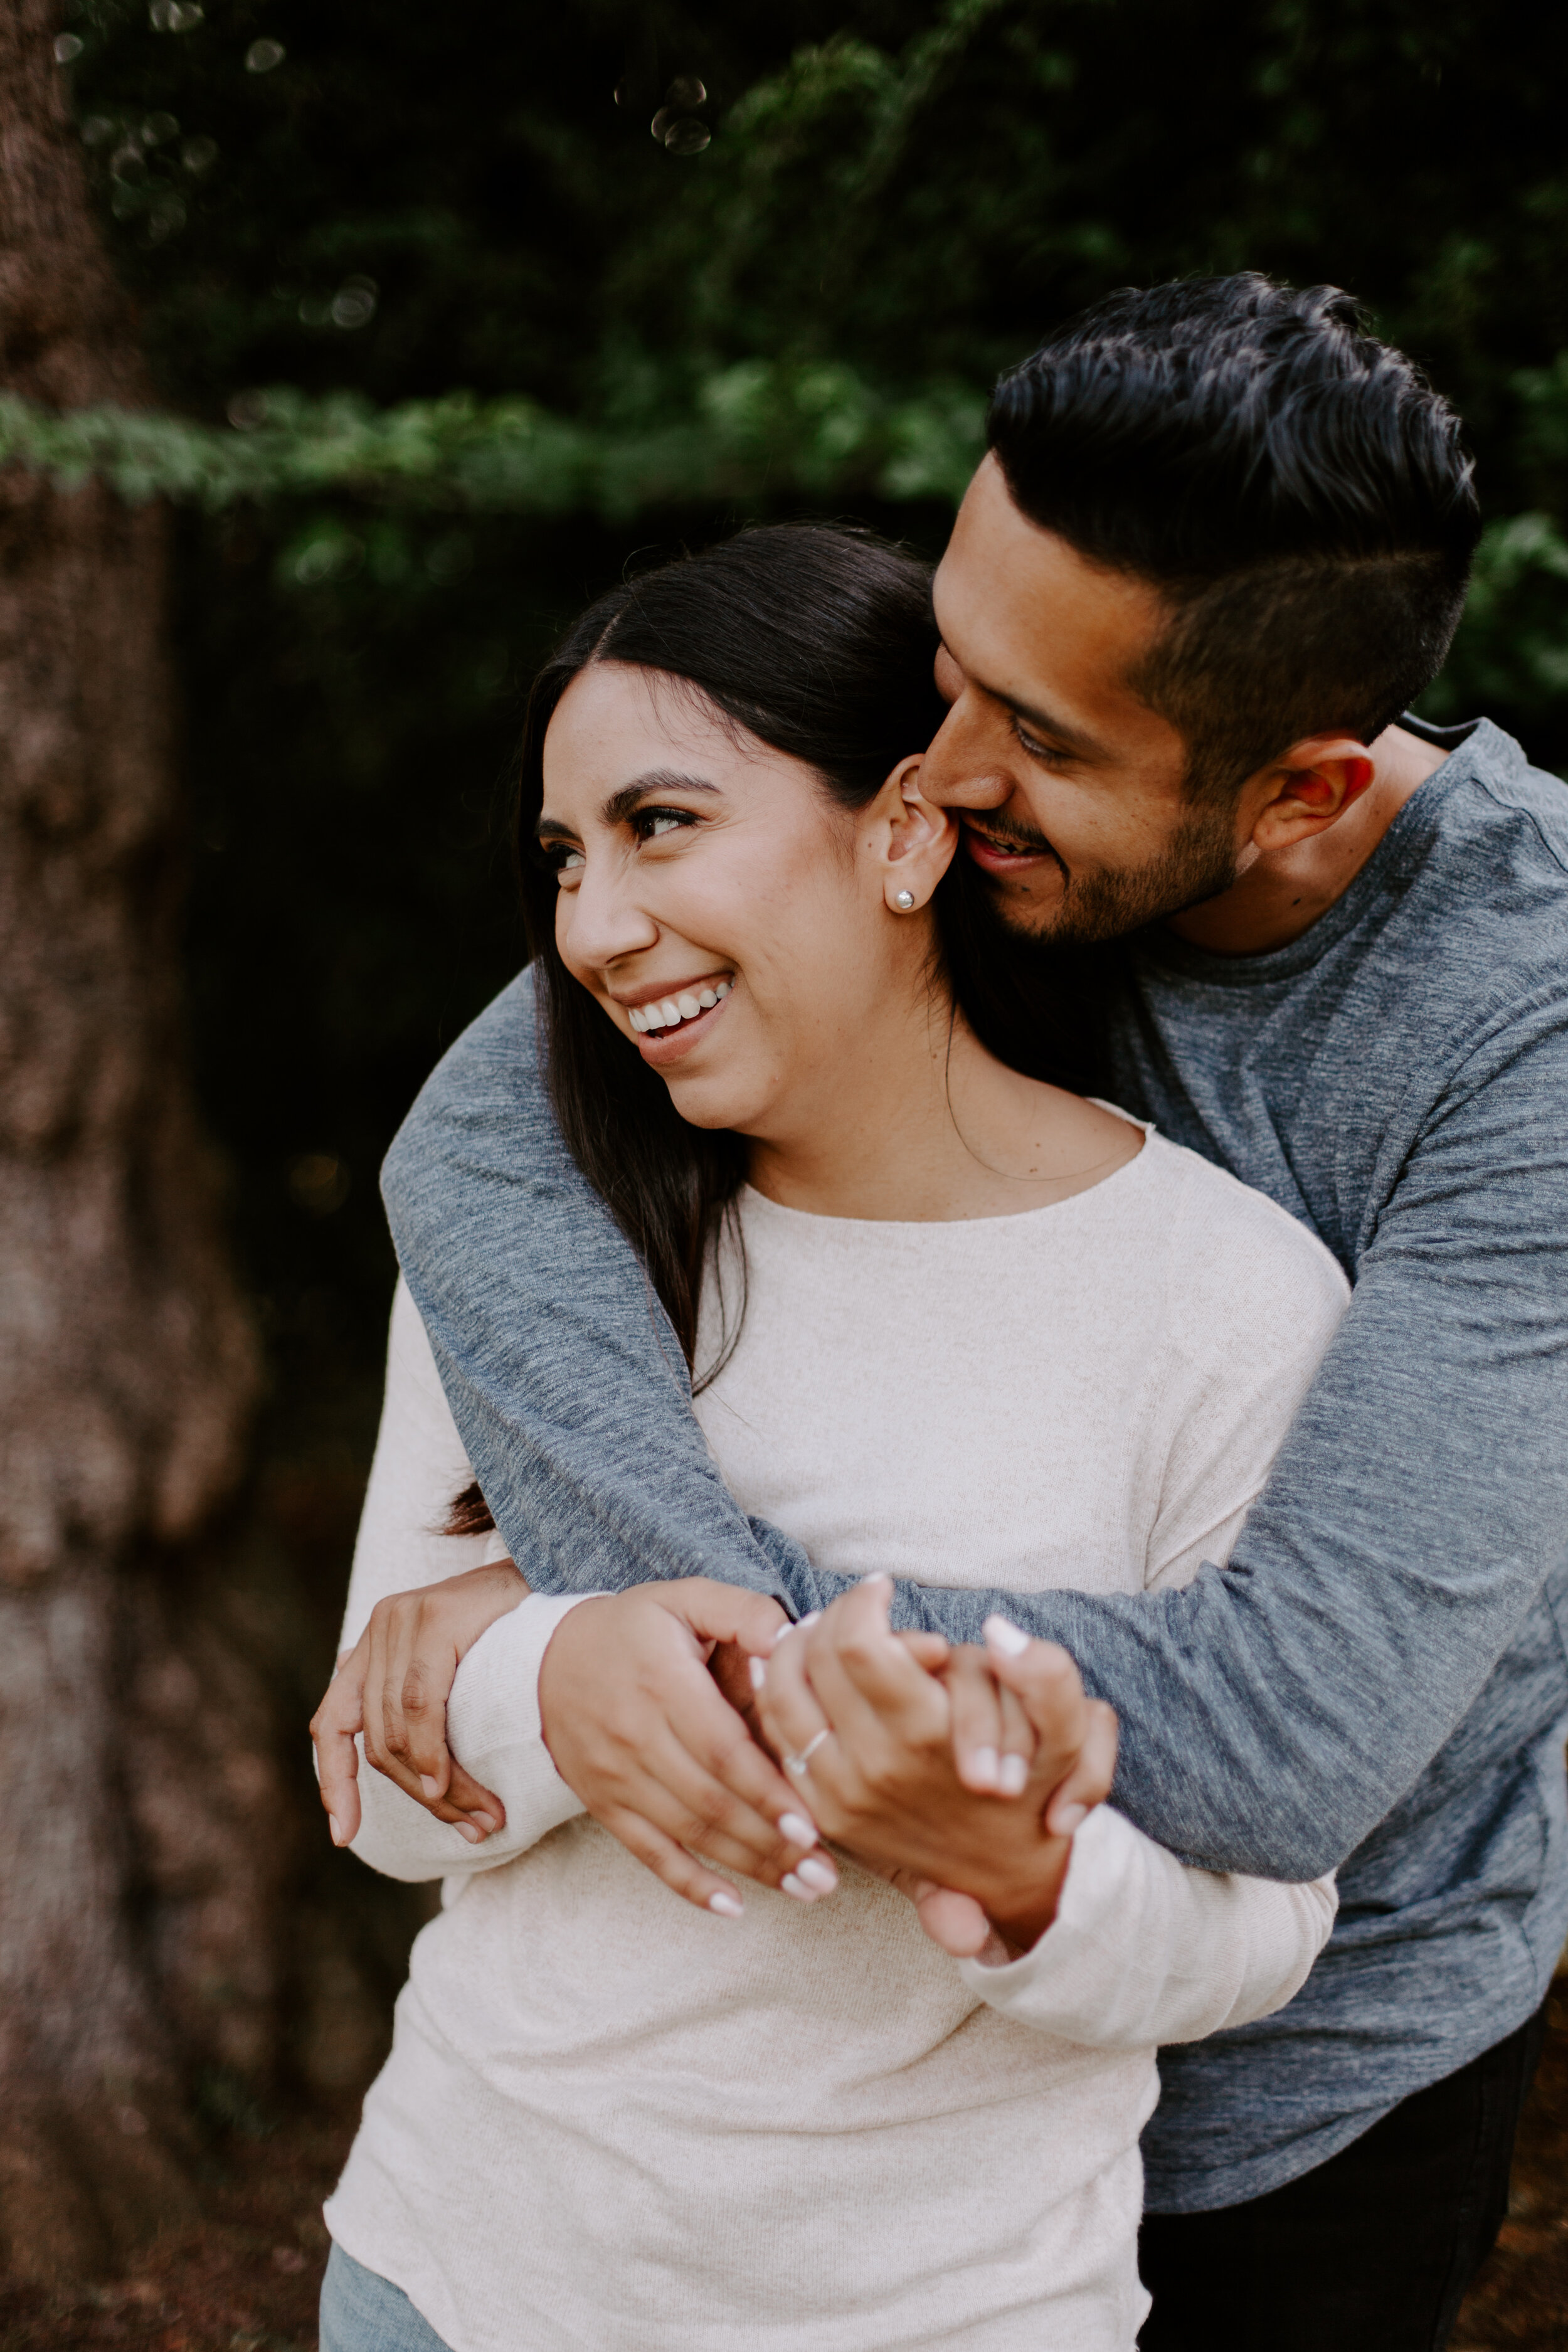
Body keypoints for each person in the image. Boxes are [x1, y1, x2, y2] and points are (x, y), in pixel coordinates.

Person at [341, 276, 1568, 2349]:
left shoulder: (1519, 1035)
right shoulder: (957, 807)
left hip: (1294, 2097)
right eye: (951, 668)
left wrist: (622, 1627)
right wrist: (586, 1634)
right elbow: (476, 1131)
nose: (945, 761)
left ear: (1298, 794)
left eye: (1042, 741)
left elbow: (1288, 1734)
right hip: (713, 2173)